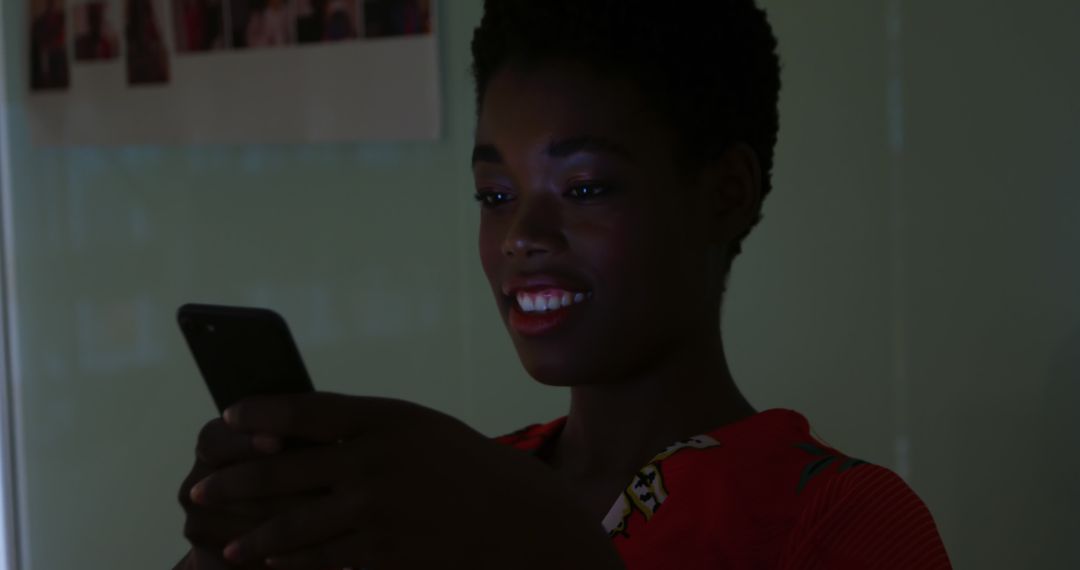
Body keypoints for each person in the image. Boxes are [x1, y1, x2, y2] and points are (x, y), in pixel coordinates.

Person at [175, 1, 953, 568]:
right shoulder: (439, 495)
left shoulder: (841, 520)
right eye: (495, 195)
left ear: (726, 192)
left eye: (583, 189)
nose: (521, 237)